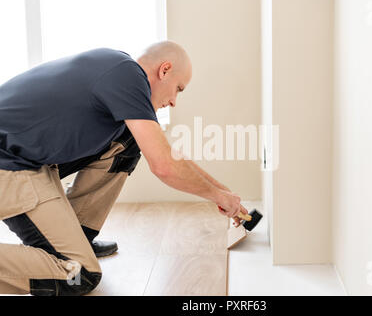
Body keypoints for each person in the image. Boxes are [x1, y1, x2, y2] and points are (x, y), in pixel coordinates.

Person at [0, 40, 248, 296]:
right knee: (79, 274)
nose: (174, 101)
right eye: (178, 89)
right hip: (8, 165)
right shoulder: (126, 76)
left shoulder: (117, 68)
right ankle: (72, 253)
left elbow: (168, 155)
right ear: (164, 70)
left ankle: (77, 238)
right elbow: (164, 166)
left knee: (127, 142)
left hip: (25, 160)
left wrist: (222, 190)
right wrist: (217, 197)